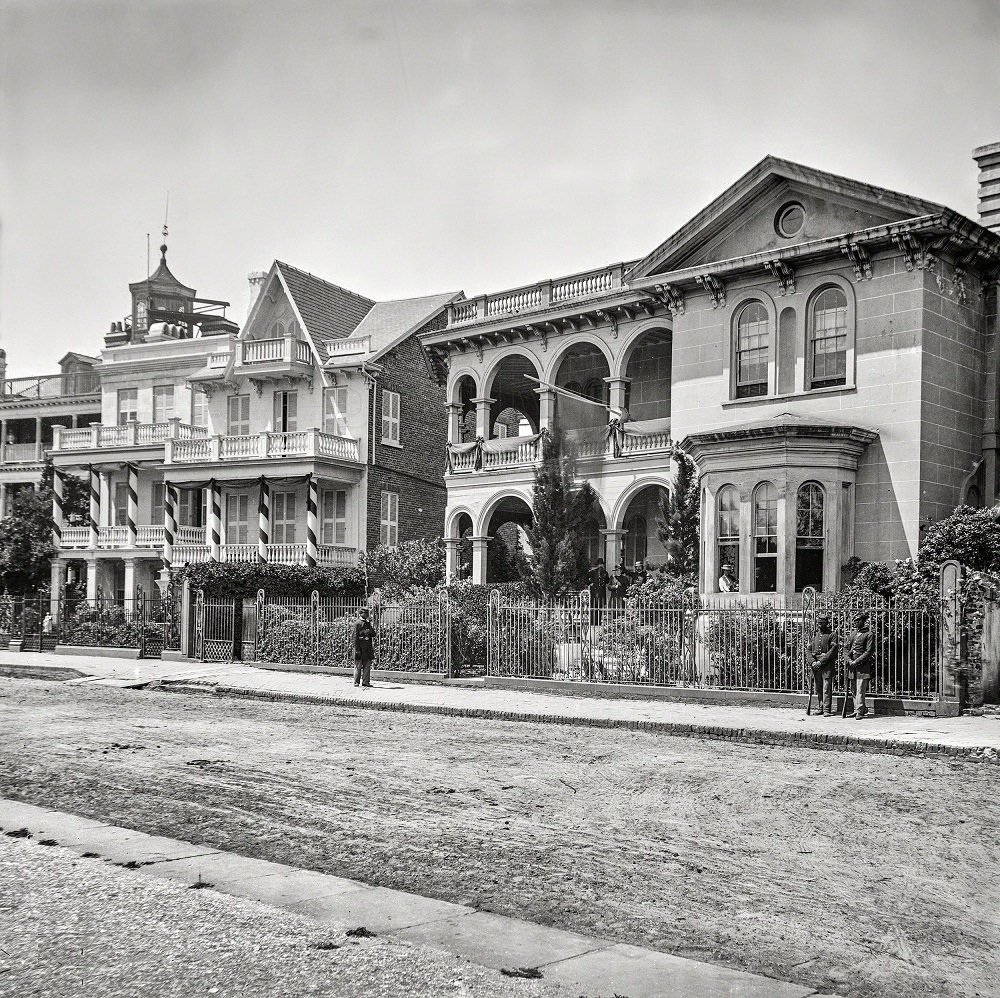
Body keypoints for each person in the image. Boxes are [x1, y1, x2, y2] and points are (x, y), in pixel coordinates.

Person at [845, 611, 874, 719]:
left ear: (863, 621)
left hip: (862, 666)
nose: (855, 622)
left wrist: (857, 661)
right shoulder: (852, 634)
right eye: (855, 621)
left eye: (858, 620)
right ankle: (856, 709)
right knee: (853, 689)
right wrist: (848, 660)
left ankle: (860, 711)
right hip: (852, 666)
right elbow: (845, 648)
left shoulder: (869, 634)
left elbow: (869, 651)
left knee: (860, 689)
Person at [809, 614, 838, 717]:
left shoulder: (832, 635)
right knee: (818, 688)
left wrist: (821, 661)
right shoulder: (815, 635)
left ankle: (826, 710)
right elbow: (808, 650)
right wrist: (812, 662)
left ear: (826, 623)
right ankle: (820, 707)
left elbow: (833, 651)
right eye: (818, 623)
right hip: (816, 666)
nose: (819, 625)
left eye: (822, 623)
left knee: (826, 689)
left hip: (827, 666)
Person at [353, 607, 376, 688]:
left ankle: (366, 682)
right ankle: (356, 682)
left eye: (367, 613)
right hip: (360, 648)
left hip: (367, 648)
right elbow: (355, 637)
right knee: (358, 666)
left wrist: (369, 630)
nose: (367, 615)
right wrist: (357, 650)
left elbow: (374, 634)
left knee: (367, 666)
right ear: (361, 613)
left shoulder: (368, 623)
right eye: (365, 613)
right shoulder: (357, 623)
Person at [588, 557, 610, 625]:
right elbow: (586, 578)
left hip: (601, 593)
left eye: (601, 564)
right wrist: (590, 583)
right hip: (594, 592)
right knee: (593, 607)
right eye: (599, 564)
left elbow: (607, 581)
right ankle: (592, 623)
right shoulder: (593, 572)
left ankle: (598, 622)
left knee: (600, 608)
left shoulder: (605, 573)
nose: (600, 566)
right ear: (597, 565)